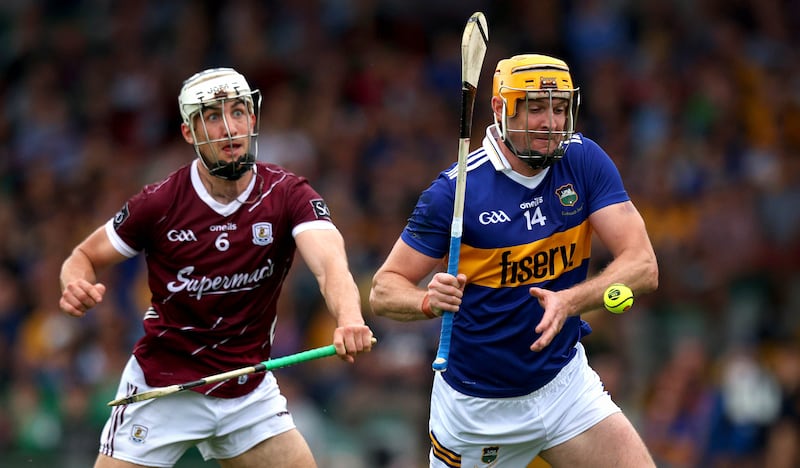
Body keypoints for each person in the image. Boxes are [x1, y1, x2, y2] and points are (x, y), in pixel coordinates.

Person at [59, 67, 374, 468]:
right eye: (213, 116)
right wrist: (75, 283)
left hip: (247, 390)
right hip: (166, 388)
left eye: (239, 112)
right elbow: (82, 257)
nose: (229, 128)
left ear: (253, 119)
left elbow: (330, 264)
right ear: (189, 132)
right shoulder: (158, 204)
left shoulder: (287, 195)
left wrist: (348, 317)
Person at [369, 54, 658, 467]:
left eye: (559, 109)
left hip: (564, 386)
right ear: (501, 109)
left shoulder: (583, 160)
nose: (551, 123)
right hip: (479, 411)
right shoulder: (455, 192)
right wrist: (426, 302)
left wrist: (570, 302)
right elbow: (384, 289)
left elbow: (643, 266)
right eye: (536, 108)